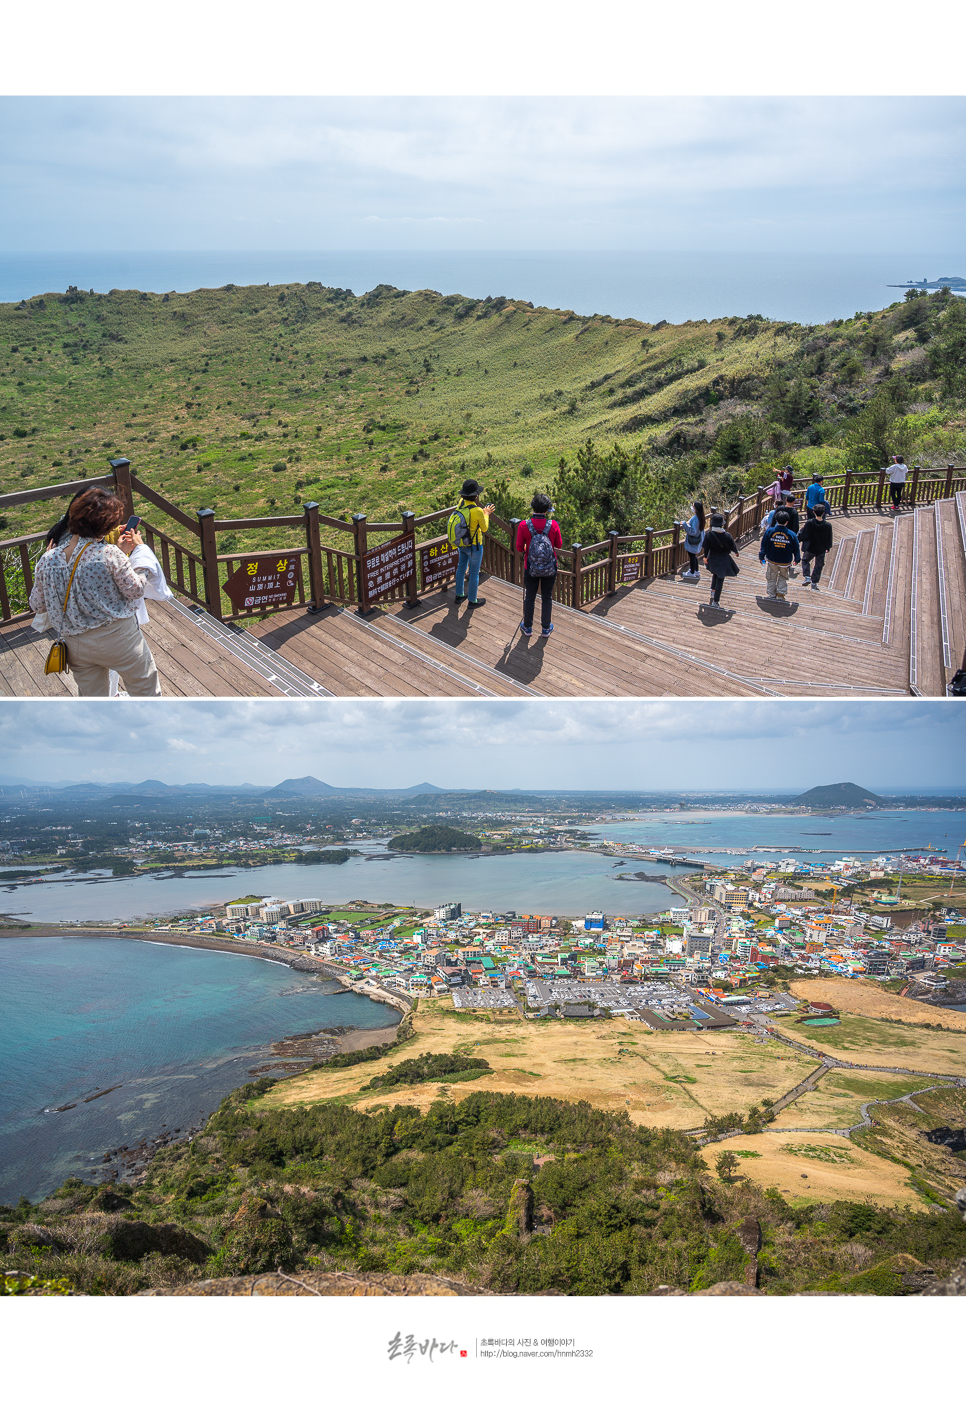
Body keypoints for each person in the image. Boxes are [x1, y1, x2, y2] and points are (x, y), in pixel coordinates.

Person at [28, 487, 162, 696]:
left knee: (93, 701)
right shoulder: (109, 555)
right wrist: (141, 560)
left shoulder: (48, 560)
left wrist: (44, 566)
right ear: (106, 527)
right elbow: (135, 590)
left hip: (75, 644)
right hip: (119, 639)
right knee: (145, 690)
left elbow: (37, 605)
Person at [516, 492, 563, 637]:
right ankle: (546, 628)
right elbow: (559, 545)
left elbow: (518, 547)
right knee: (547, 597)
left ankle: (528, 627)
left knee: (530, 596)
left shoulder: (524, 525)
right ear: (547, 510)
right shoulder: (553, 525)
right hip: (550, 568)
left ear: (533, 508)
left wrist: (526, 548)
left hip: (530, 567)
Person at [451, 478, 494, 609]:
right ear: (476, 496)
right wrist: (486, 513)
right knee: (474, 573)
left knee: (461, 568)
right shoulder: (477, 511)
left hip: (461, 544)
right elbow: (484, 528)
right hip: (474, 546)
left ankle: (459, 595)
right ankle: (472, 600)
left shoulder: (461, 503)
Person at [759, 508, 801, 601]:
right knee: (783, 576)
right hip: (785, 561)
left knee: (771, 576)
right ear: (787, 522)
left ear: (776, 520)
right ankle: (780, 593)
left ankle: (771, 593)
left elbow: (763, 545)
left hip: (772, 559)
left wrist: (761, 556)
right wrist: (797, 559)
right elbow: (796, 548)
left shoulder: (769, 531)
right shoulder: (792, 534)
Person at [701, 512, 740, 611]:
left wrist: (705, 557)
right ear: (722, 524)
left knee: (715, 573)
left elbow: (706, 548)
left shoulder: (709, 535)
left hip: (713, 558)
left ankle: (713, 591)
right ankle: (716, 601)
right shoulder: (727, 535)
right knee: (720, 579)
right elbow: (732, 546)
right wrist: (736, 552)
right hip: (723, 560)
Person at [799, 502, 833, 590]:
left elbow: (803, 534)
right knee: (819, 565)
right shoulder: (828, 525)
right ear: (824, 513)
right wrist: (828, 547)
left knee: (805, 560)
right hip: (821, 548)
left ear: (813, 512)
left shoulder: (810, 523)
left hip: (810, 547)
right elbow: (829, 537)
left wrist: (798, 540)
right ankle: (814, 583)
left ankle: (807, 576)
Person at [681, 501, 706, 581]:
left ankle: (692, 572)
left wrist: (684, 524)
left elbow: (693, 531)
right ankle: (696, 571)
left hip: (694, 541)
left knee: (692, 556)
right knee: (694, 556)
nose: (692, 508)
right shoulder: (701, 517)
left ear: (696, 508)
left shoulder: (696, 518)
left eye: (693, 506)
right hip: (699, 539)